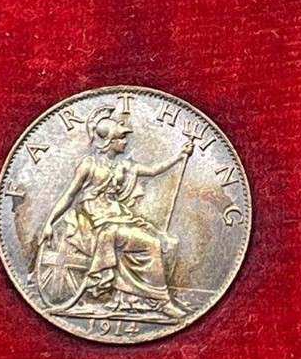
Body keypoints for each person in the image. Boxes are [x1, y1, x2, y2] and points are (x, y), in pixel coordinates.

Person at [39, 105, 192, 318]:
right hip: (93, 222)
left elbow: (154, 170)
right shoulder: (89, 165)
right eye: (121, 138)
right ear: (109, 141)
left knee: (161, 240)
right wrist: (49, 222)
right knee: (151, 243)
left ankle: (132, 298)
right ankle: (161, 302)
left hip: (118, 217)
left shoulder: (123, 166)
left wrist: (179, 156)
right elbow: (69, 195)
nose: (126, 142)